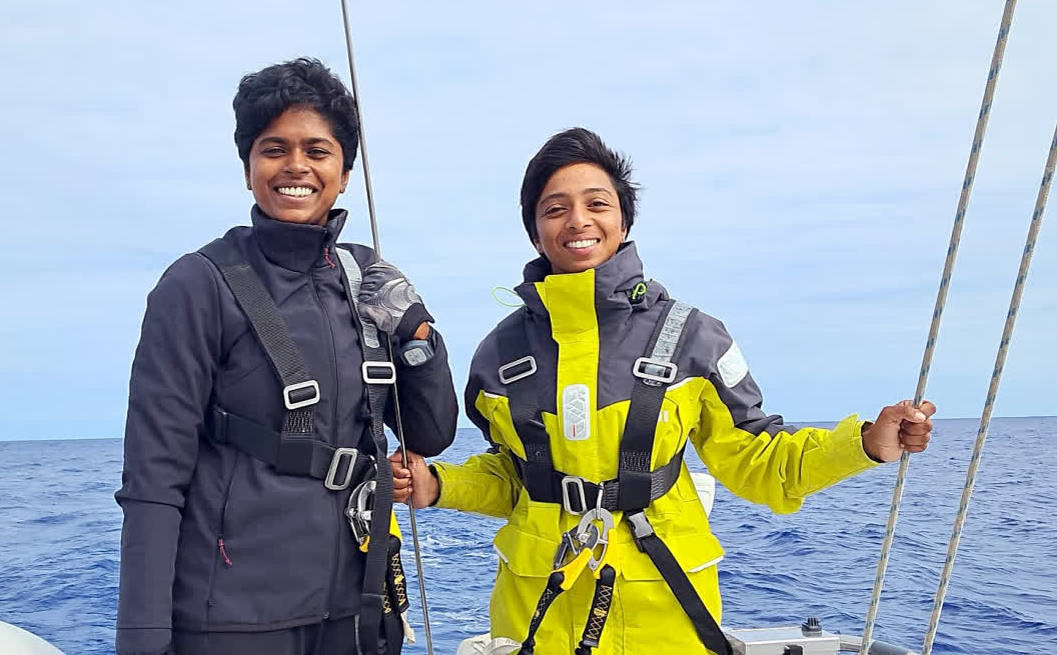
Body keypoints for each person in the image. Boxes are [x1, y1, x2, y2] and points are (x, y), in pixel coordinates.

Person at [393, 128, 935, 655]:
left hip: (667, 614)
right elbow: (515, 479)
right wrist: (438, 484)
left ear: (623, 219)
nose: (578, 220)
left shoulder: (694, 337)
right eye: (555, 208)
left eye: (596, 204)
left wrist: (866, 444)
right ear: (535, 231)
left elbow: (759, 461)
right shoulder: (498, 354)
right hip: (537, 613)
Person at [114, 57, 458, 655]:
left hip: (358, 608)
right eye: (274, 148)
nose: (296, 166)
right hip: (236, 618)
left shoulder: (366, 279)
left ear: (345, 172)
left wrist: (417, 333)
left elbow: (431, 431)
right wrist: (142, 642)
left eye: (317, 151)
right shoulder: (197, 286)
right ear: (249, 167)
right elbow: (153, 480)